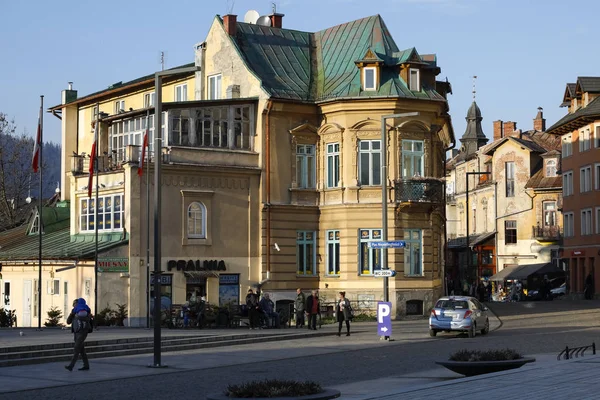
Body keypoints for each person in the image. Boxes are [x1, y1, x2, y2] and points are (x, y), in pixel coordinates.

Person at [65, 298, 92, 371]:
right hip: (76, 333)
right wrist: (72, 314)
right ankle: (86, 365)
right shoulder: (74, 312)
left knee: (76, 348)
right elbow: (68, 322)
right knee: (82, 350)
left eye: (75, 304)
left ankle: (71, 365)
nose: (74, 306)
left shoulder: (86, 312)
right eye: (74, 305)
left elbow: (88, 319)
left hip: (82, 332)